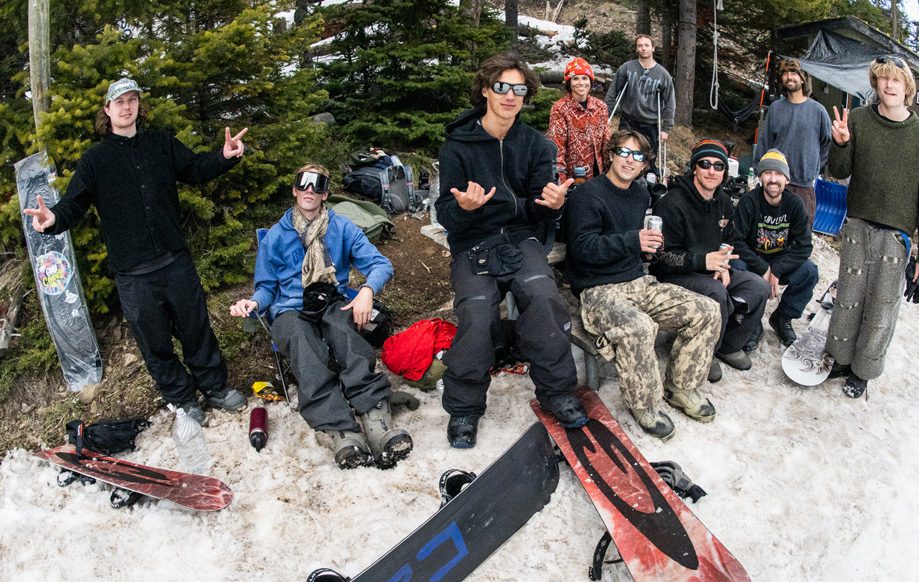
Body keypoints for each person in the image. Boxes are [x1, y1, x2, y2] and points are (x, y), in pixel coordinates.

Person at [24, 77, 246, 425]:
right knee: (154, 343)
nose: (127, 107)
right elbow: (73, 205)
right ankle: (182, 398)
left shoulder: (161, 144)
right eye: (119, 102)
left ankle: (215, 387)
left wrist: (224, 156)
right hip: (133, 274)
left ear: (139, 105)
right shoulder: (95, 159)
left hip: (175, 261)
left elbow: (196, 169)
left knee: (196, 329)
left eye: (132, 100)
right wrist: (51, 219)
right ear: (107, 110)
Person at [434, 52, 586, 448]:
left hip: (520, 237)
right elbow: (446, 212)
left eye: (518, 89)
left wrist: (554, 204)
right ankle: (465, 407)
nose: (509, 95)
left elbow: (541, 204)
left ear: (526, 96)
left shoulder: (536, 145)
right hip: (474, 240)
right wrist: (465, 209)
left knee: (543, 297)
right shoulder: (457, 146)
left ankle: (556, 392)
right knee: (476, 311)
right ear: (485, 90)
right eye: (501, 86)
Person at [229, 165, 412, 469]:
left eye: (318, 185)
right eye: (304, 183)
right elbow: (266, 287)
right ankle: (341, 431)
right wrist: (253, 302)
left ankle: (377, 420)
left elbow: (380, 264)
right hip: (289, 308)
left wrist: (367, 291)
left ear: (325, 194)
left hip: (330, 299)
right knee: (303, 344)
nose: (310, 190)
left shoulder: (341, 228)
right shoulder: (276, 236)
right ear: (295, 190)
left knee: (345, 332)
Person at [565, 130, 721, 440]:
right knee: (639, 327)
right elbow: (582, 249)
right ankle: (645, 405)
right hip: (598, 290)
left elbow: (636, 244)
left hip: (639, 282)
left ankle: (681, 387)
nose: (629, 160)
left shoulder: (640, 195)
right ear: (611, 155)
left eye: (637, 156)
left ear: (644, 164)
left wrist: (647, 249)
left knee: (707, 310)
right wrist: (632, 241)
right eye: (623, 152)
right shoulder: (587, 195)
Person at [825, 56, 919, 398]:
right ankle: (842, 358)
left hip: (895, 237)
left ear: (907, 87)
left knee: (881, 309)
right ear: (876, 84)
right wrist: (841, 143)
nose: (889, 85)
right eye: (883, 79)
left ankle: (863, 370)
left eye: (896, 80)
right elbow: (839, 171)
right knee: (847, 299)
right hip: (858, 226)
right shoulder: (859, 120)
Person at [652, 139, 769, 375]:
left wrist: (723, 265)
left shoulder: (723, 201)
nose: (711, 171)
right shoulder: (672, 203)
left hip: (712, 268)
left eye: (718, 166)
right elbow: (662, 257)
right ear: (694, 167)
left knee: (758, 286)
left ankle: (728, 345)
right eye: (705, 164)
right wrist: (703, 261)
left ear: (725, 171)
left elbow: (730, 239)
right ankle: (705, 351)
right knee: (716, 292)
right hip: (676, 275)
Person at [732, 149, 818, 349]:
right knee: (735, 265)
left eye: (778, 174)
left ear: (786, 179)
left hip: (780, 261)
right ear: (760, 177)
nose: (773, 179)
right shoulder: (749, 202)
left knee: (809, 271)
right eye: (768, 173)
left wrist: (777, 269)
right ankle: (751, 319)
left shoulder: (795, 204)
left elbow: (804, 246)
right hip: (753, 261)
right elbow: (736, 240)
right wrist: (763, 268)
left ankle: (782, 318)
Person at [754, 59, 832, 223]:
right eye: (785, 73)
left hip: (804, 187)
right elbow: (765, 143)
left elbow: (826, 144)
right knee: (771, 232)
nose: (789, 77)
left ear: (803, 78)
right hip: (776, 184)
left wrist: (815, 170)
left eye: (794, 73)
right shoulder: (776, 108)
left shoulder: (818, 111)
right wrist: (758, 173)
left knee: (801, 234)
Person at [604, 33, 675, 170]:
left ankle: (646, 181)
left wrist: (666, 129)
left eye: (646, 45)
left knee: (647, 160)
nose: (643, 48)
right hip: (628, 120)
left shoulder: (663, 75)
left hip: (650, 124)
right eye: (640, 46)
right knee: (623, 155)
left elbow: (670, 103)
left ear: (653, 48)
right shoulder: (627, 68)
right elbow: (612, 94)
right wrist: (605, 117)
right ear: (636, 49)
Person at [546, 57, 610, 181]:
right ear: (569, 83)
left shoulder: (600, 106)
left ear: (590, 81)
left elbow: (606, 142)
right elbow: (557, 147)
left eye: (585, 78)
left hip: (598, 173)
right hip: (573, 176)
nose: (581, 82)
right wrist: (560, 179)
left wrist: (610, 172)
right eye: (575, 79)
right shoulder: (560, 108)